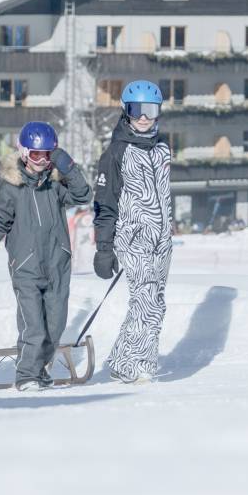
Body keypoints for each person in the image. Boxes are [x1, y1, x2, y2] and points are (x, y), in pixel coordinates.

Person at [0, 122, 91, 391]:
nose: (42, 160)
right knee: (33, 325)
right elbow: (0, 219)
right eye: (36, 154)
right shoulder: (12, 187)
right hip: (26, 266)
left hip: (57, 264)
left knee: (55, 324)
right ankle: (26, 374)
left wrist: (69, 168)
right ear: (24, 153)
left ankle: (40, 371)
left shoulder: (56, 185)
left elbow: (83, 194)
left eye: (48, 154)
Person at [92, 80, 173, 384]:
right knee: (146, 298)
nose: (143, 117)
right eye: (136, 110)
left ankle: (130, 360)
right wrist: (104, 247)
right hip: (133, 237)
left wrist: (167, 231)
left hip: (161, 240)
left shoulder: (163, 149)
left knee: (155, 300)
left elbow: (163, 195)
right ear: (126, 112)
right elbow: (104, 202)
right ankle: (133, 364)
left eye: (149, 110)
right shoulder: (116, 152)